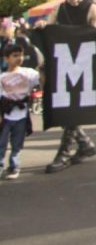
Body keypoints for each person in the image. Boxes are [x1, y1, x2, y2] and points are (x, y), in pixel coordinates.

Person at [35, 0, 96, 173]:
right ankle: (85, 143)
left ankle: (64, 152)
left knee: (71, 107)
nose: (75, 1)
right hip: (63, 63)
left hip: (83, 63)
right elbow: (50, 27)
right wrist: (42, 27)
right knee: (64, 106)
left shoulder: (91, 8)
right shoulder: (59, 9)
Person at [0, 44, 41, 179]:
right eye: (15, 56)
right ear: (6, 58)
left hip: (21, 114)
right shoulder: (3, 77)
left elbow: (40, 77)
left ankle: (14, 167)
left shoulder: (28, 73)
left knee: (17, 143)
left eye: (21, 55)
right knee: (2, 143)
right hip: (6, 114)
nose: (19, 58)